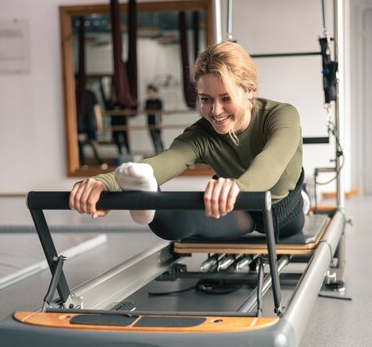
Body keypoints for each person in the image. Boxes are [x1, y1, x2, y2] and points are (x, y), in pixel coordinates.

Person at [69, 41, 305, 241]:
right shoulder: (202, 133)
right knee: (175, 225)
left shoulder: (282, 115)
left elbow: (270, 163)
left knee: (283, 220)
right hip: (241, 206)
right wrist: (102, 183)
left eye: (226, 98)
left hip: (283, 207)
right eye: (205, 99)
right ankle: (147, 199)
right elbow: (165, 162)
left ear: (250, 90)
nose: (215, 110)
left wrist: (235, 187)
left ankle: (304, 200)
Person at [77, 88, 107, 168]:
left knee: (83, 143)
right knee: (93, 142)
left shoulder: (76, 93)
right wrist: (99, 123)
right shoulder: (90, 93)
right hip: (88, 122)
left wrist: (99, 123)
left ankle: (84, 164)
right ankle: (102, 163)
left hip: (81, 122)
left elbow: (96, 109)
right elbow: (96, 110)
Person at [145, 84, 165, 154]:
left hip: (157, 122)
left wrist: (162, 121)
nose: (149, 93)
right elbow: (146, 111)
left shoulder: (159, 101)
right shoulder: (147, 101)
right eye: (148, 92)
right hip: (150, 122)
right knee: (153, 138)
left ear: (154, 92)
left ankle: (163, 152)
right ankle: (156, 152)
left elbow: (161, 112)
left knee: (158, 138)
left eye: (150, 92)